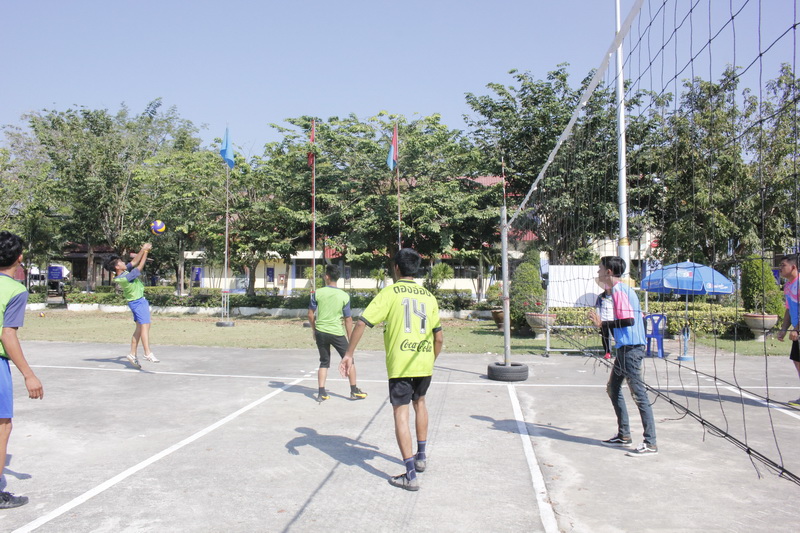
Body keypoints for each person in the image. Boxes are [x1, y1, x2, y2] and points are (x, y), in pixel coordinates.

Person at [339, 248, 443, 491]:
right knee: (421, 403)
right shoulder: (429, 297)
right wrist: (430, 359)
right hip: (423, 361)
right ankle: (421, 456)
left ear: (396, 268)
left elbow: (362, 323)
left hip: (400, 364)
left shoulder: (390, 293)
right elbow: (439, 338)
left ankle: (410, 475)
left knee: (400, 413)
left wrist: (349, 354)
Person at [588, 256, 657, 456]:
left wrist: (602, 324)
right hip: (625, 348)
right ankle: (624, 435)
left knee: (638, 394)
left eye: (600, 268)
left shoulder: (619, 291)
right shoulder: (619, 290)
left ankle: (650, 442)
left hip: (631, 349)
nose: (598, 272)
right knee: (613, 388)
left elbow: (628, 320)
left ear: (609, 271)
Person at [0, 231, 44, 509]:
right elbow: (7, 334)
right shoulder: (16, 290)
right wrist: (29, 374)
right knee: (2, 426)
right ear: (19, 258)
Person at [307, 264, 367, 401]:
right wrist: (350, 338)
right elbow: (348, 319)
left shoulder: (317, 293)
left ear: (327, 277)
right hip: (336, 333)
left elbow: (310, 314)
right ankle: (354, 390)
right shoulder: (344, 296)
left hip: (321, 332)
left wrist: (314, 329)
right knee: (349, 359)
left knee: (324, 362)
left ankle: (321, 392)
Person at [102, 243, 159, 368]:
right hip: (138, 302)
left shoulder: (122, 273)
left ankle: (132, 354)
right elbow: (139, 267)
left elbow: (134, 262)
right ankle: (147, 353)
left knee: (140, 328)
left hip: (136, 302)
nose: (124, 262)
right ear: (117, 266)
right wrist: (146, 252)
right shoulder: (125, 277)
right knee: (145, 326)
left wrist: (143, 249)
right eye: (121, 262)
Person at [776, 254, 800, 406]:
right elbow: (788, 309)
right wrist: (784, 329)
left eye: (783, 265)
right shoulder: (787, 286)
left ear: (793, 267)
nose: (780, 268)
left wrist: (797, 329)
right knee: (797, 361)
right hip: (797, 331)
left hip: (798, 330)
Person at [594, 284, 614, 359]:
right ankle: (607, 352)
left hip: (613, 320)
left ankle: (619, 352)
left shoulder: (615, 296)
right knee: (605, 336)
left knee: (616, 336)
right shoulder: (601, 296)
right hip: (604, 320)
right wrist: (598, 319)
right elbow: (598, 307)